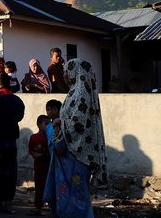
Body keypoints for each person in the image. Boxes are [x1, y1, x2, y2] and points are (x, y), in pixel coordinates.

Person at [44, 59, 108, 218]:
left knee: (76, 194)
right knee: (74, 192)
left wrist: (60, 122)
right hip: (74, 153)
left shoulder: (79, 92)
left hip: (76, 154)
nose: (64, 75)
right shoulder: (77, 91)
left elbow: (78, 122)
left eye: (67, 71)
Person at [0, 73, 25, 214]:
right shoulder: (17, 100)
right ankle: (8, 203)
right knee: (10, 172)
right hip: (11, 141)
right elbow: (20, 117)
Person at [28, 114, 50, 216]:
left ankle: (51, 206)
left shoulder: (49, 137)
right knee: (39, 187)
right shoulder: (33, 137)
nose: (48, 126)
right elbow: (31, 150)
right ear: (38, 124)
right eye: (46, 124)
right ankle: (38, 207)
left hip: (48, 167)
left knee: (48, 186)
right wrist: (35, 154)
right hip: (38, 167)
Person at [43, 99, 62, 214]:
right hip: (51, 160)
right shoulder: (48, 127)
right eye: (48, 109)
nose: (50, 112)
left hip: (60, 160)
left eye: (53, 109)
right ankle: (53, 209)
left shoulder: (62, 124)